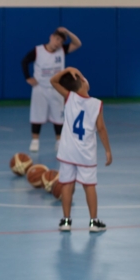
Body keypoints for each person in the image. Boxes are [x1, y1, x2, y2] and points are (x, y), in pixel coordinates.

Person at [49, 67, 112, 232]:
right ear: (83, 82)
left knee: (67, 185)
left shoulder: (69, 97)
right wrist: (107, 150)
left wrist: (67, 69)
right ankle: (93, 222)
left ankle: (66, 222)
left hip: (68, 152)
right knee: (89, 186)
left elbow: (53, 81)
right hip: (86, 154)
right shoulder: (96, 104)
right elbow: (101, 128)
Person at [21, 27, 82, 152]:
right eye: (57, 39)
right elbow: (24, 61)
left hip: (56, 88)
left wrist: (68, 32)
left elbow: (77, 44)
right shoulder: (38, 50)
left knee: (58, 116)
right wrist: (28, 78)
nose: (58, 43)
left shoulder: (62, 50)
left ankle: (59, 142)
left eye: (61, 41)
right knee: (37, 115)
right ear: (51, 37)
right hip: (40, 88)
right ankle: (35, 141)